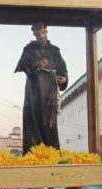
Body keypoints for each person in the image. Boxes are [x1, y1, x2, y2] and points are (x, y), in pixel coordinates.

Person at [15, 22, 68, 154]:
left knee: (50, 124)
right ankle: (32, 155)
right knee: (32, 124)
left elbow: (62, 69)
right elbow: (21, 65)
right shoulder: (29, 49)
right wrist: (36, 63)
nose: (41, 36)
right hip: (33, 92)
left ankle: (52, 155)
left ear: (46, 32)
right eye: (38, 34)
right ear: (34, 35)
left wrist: (63, 79)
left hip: (49, 93)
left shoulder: (55, 51)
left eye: (43, 32)